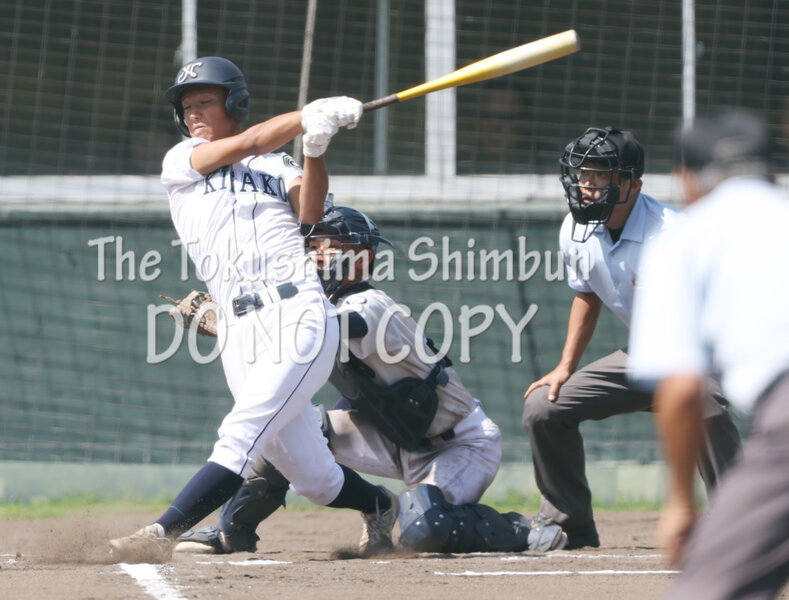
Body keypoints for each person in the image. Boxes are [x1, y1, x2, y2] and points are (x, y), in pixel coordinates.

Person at [108, 57, 399, 562]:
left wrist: (313, 149)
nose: (194, 113)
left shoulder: (276, 165)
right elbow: (248, 142)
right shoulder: (183, 159)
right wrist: (307, 115)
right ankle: (381, 505)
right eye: (187, 106)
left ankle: (159, 535)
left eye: (206, 101)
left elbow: (310, 211)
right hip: (238, 329)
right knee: (311, 477)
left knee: (241, 433)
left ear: (236, 103)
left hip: (297, 312)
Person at [175, 204, 567, 555]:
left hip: (459, 444)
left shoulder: (370, 305)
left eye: (330, 246)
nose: (317, 255)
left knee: (422, 526)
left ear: (362, 260)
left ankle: (521, 530)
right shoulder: (311, 309)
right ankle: (233, 532)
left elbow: (323, 329)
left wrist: (232, 322)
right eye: (313, 246)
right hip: (391, 435)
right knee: (289, 433)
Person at [520, 126, 743, 549]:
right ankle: (570, 525)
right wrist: (565, 366)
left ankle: (739, 525)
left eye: (601, 176)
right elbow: (587, 293)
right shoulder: (575, 229)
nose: (587, 185)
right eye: (583, 175)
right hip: (646, 354)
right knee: (543, 406)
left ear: (633, 185)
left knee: (704, 407)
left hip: (705, 353)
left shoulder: (673, 233)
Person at [629, 109, 789, 599]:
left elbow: (681, 389)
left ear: (687, 179)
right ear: (771, 169)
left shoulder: (686, 238)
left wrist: (681, 502)